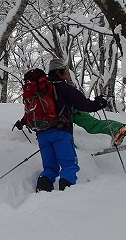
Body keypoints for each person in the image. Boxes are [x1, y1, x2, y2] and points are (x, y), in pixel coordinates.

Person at [14, 58, 108, 192]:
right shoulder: (63, 88)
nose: (66, 75)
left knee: (50, 168)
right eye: (65, 72)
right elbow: (83, 104)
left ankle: (42, 192)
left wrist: (23, 122)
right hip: (60, 133)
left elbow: (35, 110)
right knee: (69, 165)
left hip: (42, 135)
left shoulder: (41, 89)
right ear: (59, 72)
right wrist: (98, 104)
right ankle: (66, 195)